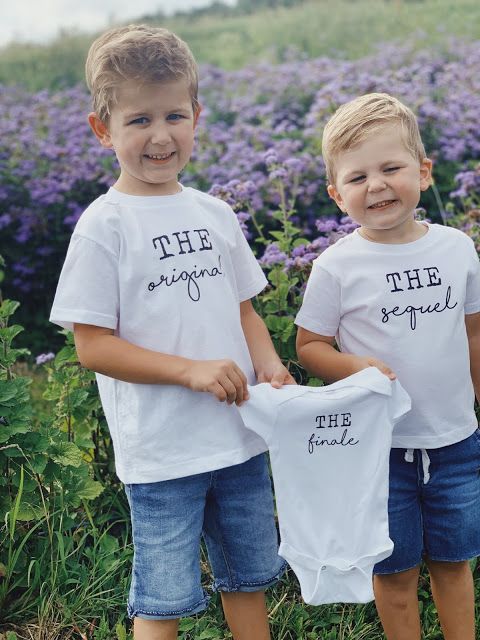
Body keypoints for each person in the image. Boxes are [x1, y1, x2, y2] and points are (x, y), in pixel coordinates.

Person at [50, 24, 294, 640]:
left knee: (249, 578)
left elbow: (244, 311)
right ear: (102, 129)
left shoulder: (213, 212)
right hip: (162, 452)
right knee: (162, 596)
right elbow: (92, 345)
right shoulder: (104, 227)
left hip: (239, 438)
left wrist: (266, 365)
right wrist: (190, 371)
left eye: (174, 115)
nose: (160, 136)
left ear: (197, 115)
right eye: (138, 121)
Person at [295, 92, 480, 640]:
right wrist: (356, 367)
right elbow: (310, 345)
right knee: (394, 573)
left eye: (391, 168)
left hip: (455, 442)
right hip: (378, 451)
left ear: (423, 173)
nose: (375, 186)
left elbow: (473, 331)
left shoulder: (457, 249)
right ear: (336, 194)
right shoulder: (336, 267)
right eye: (357, 177)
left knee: (454, 564)